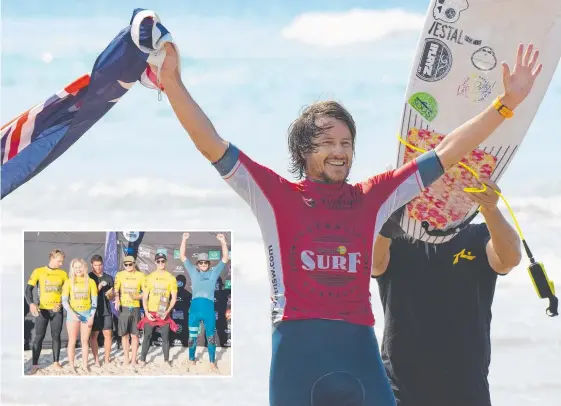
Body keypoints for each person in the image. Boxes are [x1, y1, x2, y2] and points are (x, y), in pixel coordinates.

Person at [159, 40, 542, 405]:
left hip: (358, 355)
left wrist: (506, 103)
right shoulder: (275, 197)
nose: (339, 152)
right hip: (297, 358)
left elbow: (445, 152)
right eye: (327, 143)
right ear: (303, 150)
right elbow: (211, 143)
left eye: (346, 143)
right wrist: (173, 83)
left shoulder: (371, 198)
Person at [371, 178, 522, 406]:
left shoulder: (479, 235)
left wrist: (490, 209)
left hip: (467, 386)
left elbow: (510, 259)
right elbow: (372, 264)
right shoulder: (393, 237)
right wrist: (388, 221)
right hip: (401, 389)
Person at [179, 232, 229, 372]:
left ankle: (212, 362)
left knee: (211, 337)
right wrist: (184, 239)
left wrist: (223, 242)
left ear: (208, 263)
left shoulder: (214, 273)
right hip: (194, 310)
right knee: (192, 337)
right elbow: (182, 256)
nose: (203, 264)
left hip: (208, 310)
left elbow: (225, 258)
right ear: (198, 264)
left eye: (205, 262)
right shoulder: (194, 272)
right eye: (200, 262)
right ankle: (191, 359)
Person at [25, 249, 68, 375]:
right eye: (59, 261)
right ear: (52, 258)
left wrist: (60, 303)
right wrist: (32, 304)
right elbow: (28, 290)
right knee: (39, 337)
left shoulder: (63, 274)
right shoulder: (39, 271)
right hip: (42, 310)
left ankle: (56, 362)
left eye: (62, 262)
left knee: (56, 336)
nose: (61, 264)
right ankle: (35, 365)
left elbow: (66, 293)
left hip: (56, 311)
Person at [138, 252, 178, 368]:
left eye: (163, 261)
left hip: (163, 312)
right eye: (158, 261)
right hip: (151, 312)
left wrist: (167, 311)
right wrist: (146, 312)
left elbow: (174, 298)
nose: (161, 263)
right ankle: (142, 360)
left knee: (165, 338)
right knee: (147, 337)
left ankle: (166, 361)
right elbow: (145, 297)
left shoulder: (171, 278)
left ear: (166, 262)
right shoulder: (149, 278)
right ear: (155, 262)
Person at [61, 258, 98, 373]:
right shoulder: (68, 282)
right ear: (72, 269)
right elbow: (65, 301)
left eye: (80, 267)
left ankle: (85, 365)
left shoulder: (91, 281)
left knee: (84, 341)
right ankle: (72, 366)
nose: (78, 269)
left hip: (87, 315)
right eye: (75, 267)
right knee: (72, 341)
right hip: (73, 315)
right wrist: (72, 313)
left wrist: (91, 316)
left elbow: (94, 302)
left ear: (85, 267)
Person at [114, 255, 145, 366]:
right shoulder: (120, 275)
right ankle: (126, 358)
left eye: (130, 264)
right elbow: (116, 290)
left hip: (136, 308)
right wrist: (117, 298)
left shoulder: (141, 275)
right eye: (125, 264)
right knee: (124, 335)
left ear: (134, 263)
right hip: (124, 308)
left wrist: (138, 297)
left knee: (135, 335)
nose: (127, 266)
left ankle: (133, 359)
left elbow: (145, 293)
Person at [88, 254, 115, 367]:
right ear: (91, 265)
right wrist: (97, 289)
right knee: (94, 335)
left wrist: (111, 294)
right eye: (95, 265)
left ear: (103, 264)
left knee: (108, 334)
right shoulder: (88, 277)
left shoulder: (109, 278)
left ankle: (107, 359)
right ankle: (96, 360)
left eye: (100, 265)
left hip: (106, 310)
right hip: (93, 311)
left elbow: (112, 296)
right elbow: (85, 294)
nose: (98, 267)